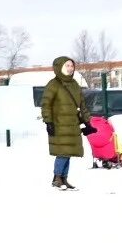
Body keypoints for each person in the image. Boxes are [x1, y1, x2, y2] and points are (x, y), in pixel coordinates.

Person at [40, 56, 87, 191]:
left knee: (68, 152)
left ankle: (64, 178)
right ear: (60, 67)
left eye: (72, 66)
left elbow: (82, 104)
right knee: (63, 152)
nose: (70, 68)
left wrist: (87, 121)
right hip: (59, 124)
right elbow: (46, 104)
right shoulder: (53, 84)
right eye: (67, 66)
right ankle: (57, 178)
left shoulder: (74, 84)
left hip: (72, 125)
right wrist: (48, 121)